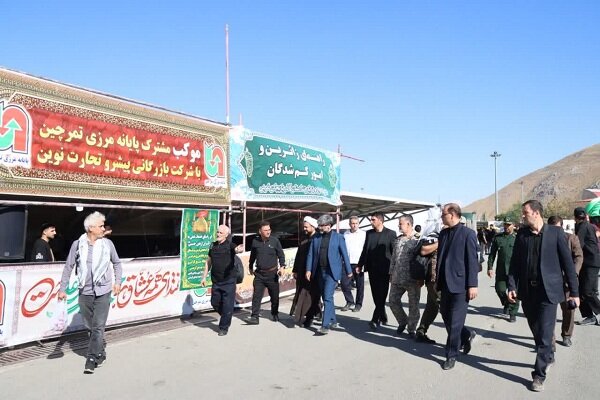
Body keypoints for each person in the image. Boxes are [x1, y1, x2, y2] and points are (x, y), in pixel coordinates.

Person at [507, 200, 579, 392]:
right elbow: (514, 264)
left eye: (526, 212)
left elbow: (568, 265)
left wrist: (574, 292)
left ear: (536, 213)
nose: (523, 216)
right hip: (528, 292)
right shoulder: (522, 235)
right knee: (537, 330)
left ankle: (538, 375)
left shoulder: (556, 234)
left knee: (546, 334)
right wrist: (512, 286)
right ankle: (548, 354)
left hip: (548, 292)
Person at [57, 211, 122, 374]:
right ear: (91, 228)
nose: (103, 228)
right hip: (84, 292)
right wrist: (62, 289)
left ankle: (91, 358)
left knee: (98, 326)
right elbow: (69, 266)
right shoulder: (77, 245)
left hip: (103, 291)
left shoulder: (107, 245)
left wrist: (118, 282)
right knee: (89, 326)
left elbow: (117, 264)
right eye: (100, 226)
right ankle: (100, 351)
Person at [436, 203, 478, 370]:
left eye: (443, 214)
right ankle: (466, 335)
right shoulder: (443, 233)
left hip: (461, 285)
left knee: (455, 321)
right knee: (445, 315)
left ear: (452, 214)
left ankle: (451, 354)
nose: (441, 217)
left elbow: (472, 261)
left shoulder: (468, 234)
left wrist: (472, 284)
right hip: (445, 283)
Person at [306, 214, 352, 334]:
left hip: (332, 272)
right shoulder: (316, 238)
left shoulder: (338, 237)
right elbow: (311, 254)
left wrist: (349, 271)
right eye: (319, 226)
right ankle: (333, 320)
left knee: (326, 297)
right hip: (319, 272)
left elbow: (344, 255)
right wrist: (309, 269)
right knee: (327, 297)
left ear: (329, 226)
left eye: (321, 226)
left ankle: (325, 326)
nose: (319, 228)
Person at [201, 225, 244, 336]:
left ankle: (223, 327)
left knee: (227, 304)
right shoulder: (213, 246)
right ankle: (226, 315)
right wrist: (204, 277)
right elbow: (208, 262)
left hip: (229, 280)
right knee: (214, 303)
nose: (218, 234)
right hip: (216, 280)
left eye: (220, 232)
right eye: (217, 232)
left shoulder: (230, 245)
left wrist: (239, 249)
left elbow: (236, 249)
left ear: (226, 235)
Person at [548, 215, 583, 347]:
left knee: (569, 310)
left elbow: (579, 257)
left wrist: (573, 274)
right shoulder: (545, 240)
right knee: (548, 313)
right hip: (550, 282)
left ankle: (566, 335)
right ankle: (550, 341)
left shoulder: (571, 238)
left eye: (556, 229)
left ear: (561, 227)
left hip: (568, 283)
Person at [358, 211, 397, 330]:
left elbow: (394, 253)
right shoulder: (369, 233)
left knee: (382, 294)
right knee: (376, 295)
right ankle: (382, 314)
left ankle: (375, 319)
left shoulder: (391, 234)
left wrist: (394, 269)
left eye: (373, 220)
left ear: (380, 220)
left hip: (385, 269)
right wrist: (360, 264)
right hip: (372, 269)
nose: (371, 222)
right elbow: (365, 249)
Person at [246, 220, 286, 324]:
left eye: (269, 230)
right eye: (265, 230)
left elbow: (281, 255)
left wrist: (282, 266)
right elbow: (253, 255)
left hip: (272, 274)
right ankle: (254, 317)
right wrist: (250, 266)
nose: (268, 232)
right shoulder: (255, 242)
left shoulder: (275, 241)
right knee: (256, 296)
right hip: (259, 274)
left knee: (274, 296)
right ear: (260, 231)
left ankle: (274, 313)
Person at [388, 215, 420, 337]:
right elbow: (393, 258)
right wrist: (391, 273)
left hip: (412, 278)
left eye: (400, 223)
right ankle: (403, 321)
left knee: (413, 305)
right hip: (397, 276)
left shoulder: (418, 239)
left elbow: (422, 260)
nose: (398, 226)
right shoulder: (398, 239)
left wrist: (421, 277)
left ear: (409, 224)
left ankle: (411, 328)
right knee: (393, 301)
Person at [487, 218, 519, 322]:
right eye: (505, 224)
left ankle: (512, 313)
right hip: (501, 269)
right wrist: (490, 267)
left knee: (514, 292)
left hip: (514, 271)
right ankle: (507, 303)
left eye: (509, 225)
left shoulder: (517, 238)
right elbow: (492, 254)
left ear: (513, 225)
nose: (506, 227)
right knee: (499, 289)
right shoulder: (498, 238)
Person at [291, 216, 321, 327]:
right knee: (303, 294)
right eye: (304, 227)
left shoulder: (318, 238)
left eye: (306, 227)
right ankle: (306, 315)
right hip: (302, 271)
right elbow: (298, 255)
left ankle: (309, 318)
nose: (304, 229)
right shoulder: (304, 238)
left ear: (313, 226)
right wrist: (295, 270)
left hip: (313, 273)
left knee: (311, 295)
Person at [574, 207, 600, 326]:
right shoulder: (581, 226)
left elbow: (577, 244)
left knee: (588, 291)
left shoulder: (584, 226)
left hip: (592, 263)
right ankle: (589, 316)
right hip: (585, 263)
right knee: (580, 291)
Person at [415, 230, 440, 344]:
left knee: (432, 307)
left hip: (443, 280)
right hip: (434, 280)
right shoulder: (435, 238)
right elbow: (423, 251)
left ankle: (421, 331)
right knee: (444, 308)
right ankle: (463, 336)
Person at [340, 216, 366, 312]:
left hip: (359, 263)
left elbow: (366, 249)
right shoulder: (345, 234)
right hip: (346, 263)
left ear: (358, 224)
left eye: (356, 223)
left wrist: (363, 263)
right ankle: (349, 301)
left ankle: (358, 304)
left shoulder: (363, 234)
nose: (354, 225)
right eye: (352, 223)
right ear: (349, 224)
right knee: (344, 283)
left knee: (360, 285)